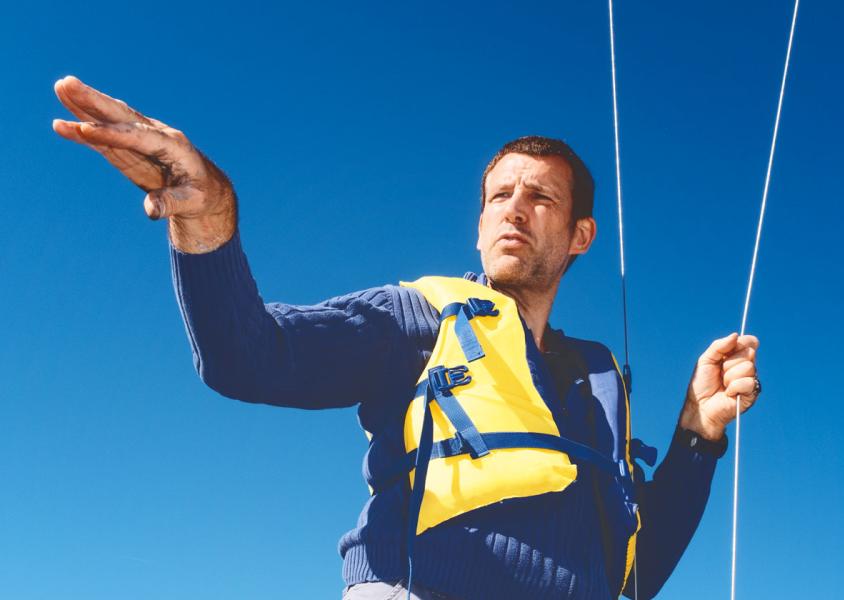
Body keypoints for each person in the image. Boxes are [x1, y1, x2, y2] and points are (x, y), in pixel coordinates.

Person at [52, 75, 761, 600]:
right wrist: (206, 218)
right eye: (498, 197)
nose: (514, 210)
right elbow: (248, 357)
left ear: (581, 236)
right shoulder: (416, 314)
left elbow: (637, 569)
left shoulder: (597, 382)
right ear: (479, 224)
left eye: (540, 197)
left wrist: (697, 434)